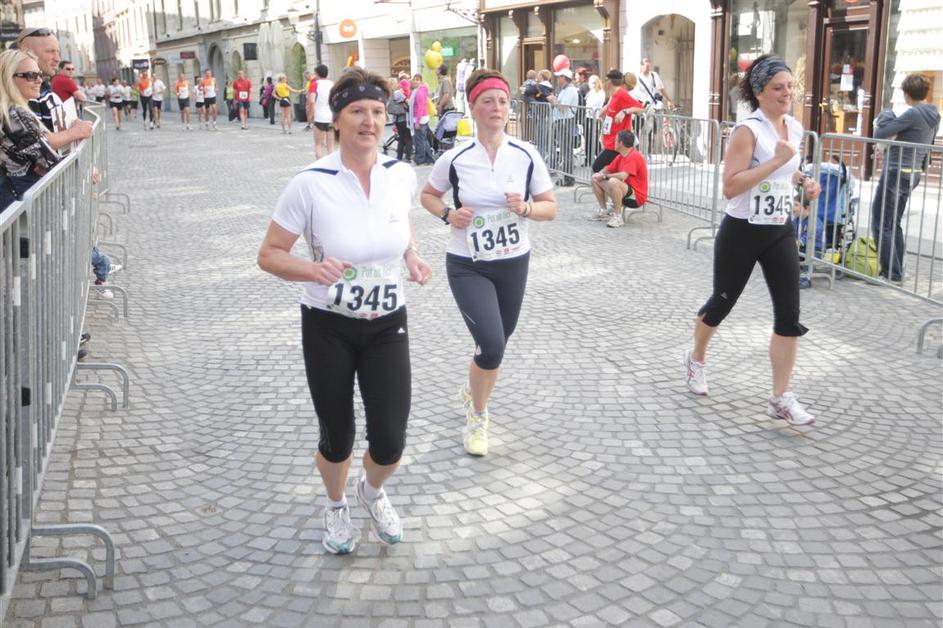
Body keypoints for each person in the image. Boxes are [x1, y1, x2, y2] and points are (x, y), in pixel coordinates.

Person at [257, 67, 432, 555]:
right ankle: (336, 506)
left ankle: (371, 492)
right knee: (338, 436)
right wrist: (312, 271)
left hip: (387, 323)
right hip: (328, 326)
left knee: (391, 439)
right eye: (357, 111)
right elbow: (269, 254)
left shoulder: (400, 174)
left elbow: (399, 228)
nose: (369, 121)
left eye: (377, 111)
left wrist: (411, 256)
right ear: (336, 120)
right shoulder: (309, 184)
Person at [420, 68, 558, 457]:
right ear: (473, 107)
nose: (497, 107)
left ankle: (473, 388)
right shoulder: (456, 158)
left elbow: (550, 207)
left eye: (502, 101)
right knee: (492, 344)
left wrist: (527, 208)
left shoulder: (526, 154)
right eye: (487, 101)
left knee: (497, 342)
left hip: (513, 262)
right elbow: (427, 195)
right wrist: (448, 214)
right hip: (468, 263)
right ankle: (478, 415)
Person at [682, 54, 821, 426]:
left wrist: (805, 184)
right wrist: (775, 162)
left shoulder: (794, 127)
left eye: (790, 87)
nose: (786, 93)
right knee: (722, 302)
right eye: (778, 88)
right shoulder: (748, 131)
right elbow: (731, 186)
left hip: (779, 229)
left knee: (789, 315)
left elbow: (789, 172)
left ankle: (781, 397)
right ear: (759, 92)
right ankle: (696, 359)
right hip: (742, 229)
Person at [870, 73, 940, 284]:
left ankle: (891, 274)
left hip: (896, 171)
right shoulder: (934, 115)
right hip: (913, 172)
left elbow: (880, 134)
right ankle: (897, 271)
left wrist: (886, 114)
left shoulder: (913, 113)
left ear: (907, 93)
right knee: (893, 223)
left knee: (881, 222)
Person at [0, 49, 62, 210]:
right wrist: (88, 170)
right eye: (31, 75)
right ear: (9, 79)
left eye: (39, 74)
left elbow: (42, 158)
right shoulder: (15, 114)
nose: (39, 80)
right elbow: (49, 161)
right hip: (14, 204)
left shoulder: (10, 111)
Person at [16, 27, 92, 149]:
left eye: (58, 52)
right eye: (50, 51)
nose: (57, 58)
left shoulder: (43, 85)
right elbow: (35, 143)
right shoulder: (24, 88)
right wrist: (75, 132)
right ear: (27, 51)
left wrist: (73, 123)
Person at [588, 70, 645, 221]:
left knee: (599, 169)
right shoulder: (614, 95)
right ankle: (609, 205)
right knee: (601, 173)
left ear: (609, 82)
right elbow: (611, 107)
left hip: (618, 144)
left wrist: (625, 111)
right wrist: (605, 109)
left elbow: (640, 108)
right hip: (610, 142)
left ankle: (611, 206)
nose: (604, 82)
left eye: (606, 80)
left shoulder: (622, 94)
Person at [590, 130, 648, 228]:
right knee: (595, 178)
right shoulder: (621, 156)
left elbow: (623, 176)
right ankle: (604, 210)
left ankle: (618, 217)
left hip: (636, 198)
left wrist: (604, 176)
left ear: (621, 143)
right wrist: (600, 174)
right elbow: (608, 169)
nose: (614, 142)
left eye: (616, 140)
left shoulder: (634, 155)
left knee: (614, 181)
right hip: (625, 192)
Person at [547, 67, 579, 186]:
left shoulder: (570, 90)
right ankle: (567, 177)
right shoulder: (565, 89)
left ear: (564, 78)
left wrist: (553, 101)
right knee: (565, 151)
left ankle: (568, 178)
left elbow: (563, 107)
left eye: (559, 77)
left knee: (566, 151)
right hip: (563, 121)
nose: (557, 79)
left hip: (565, 121)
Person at [408, 73, 434, 165]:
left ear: (421, 81)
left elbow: (420, 108)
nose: (415, 81)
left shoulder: (419, 92)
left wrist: (418, 122)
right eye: (414, 79)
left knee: (420, 141)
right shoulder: (418, 91)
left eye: (417, 80)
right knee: (423, 140)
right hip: (422, 118)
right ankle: (429, 159)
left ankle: (419, 160)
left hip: (420, 119)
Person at [311, 64, 334, 157]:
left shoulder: (314, 84)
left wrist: (310, 115)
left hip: (319, 117)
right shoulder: (333, 84)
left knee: (318, 145)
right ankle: (331, 164)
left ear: (317, 74)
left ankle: (320, 164)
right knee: (331, 147)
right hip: (331, 117)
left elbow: (311, 101)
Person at [388, 78, 412, 162]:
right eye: (396, 83)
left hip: (396, 119)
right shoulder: (398, 93)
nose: (398, 84)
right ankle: (408, 157)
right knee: (408, 138)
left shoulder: (389, 94)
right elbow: (408, 102)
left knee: (401, 138)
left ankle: (399, 156)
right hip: (404, 118)